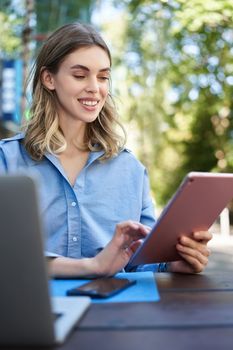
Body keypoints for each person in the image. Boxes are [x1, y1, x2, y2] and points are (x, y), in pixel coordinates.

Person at [0, 22, 212, 278]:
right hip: (29, 312)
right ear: (48, 79)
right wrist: (91, 267)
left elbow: (140, 260)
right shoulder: (7, 160)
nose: (95, 88)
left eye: (103, 77)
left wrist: (174, 263)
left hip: (116, 314)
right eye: (80, 75)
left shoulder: (130, 169)